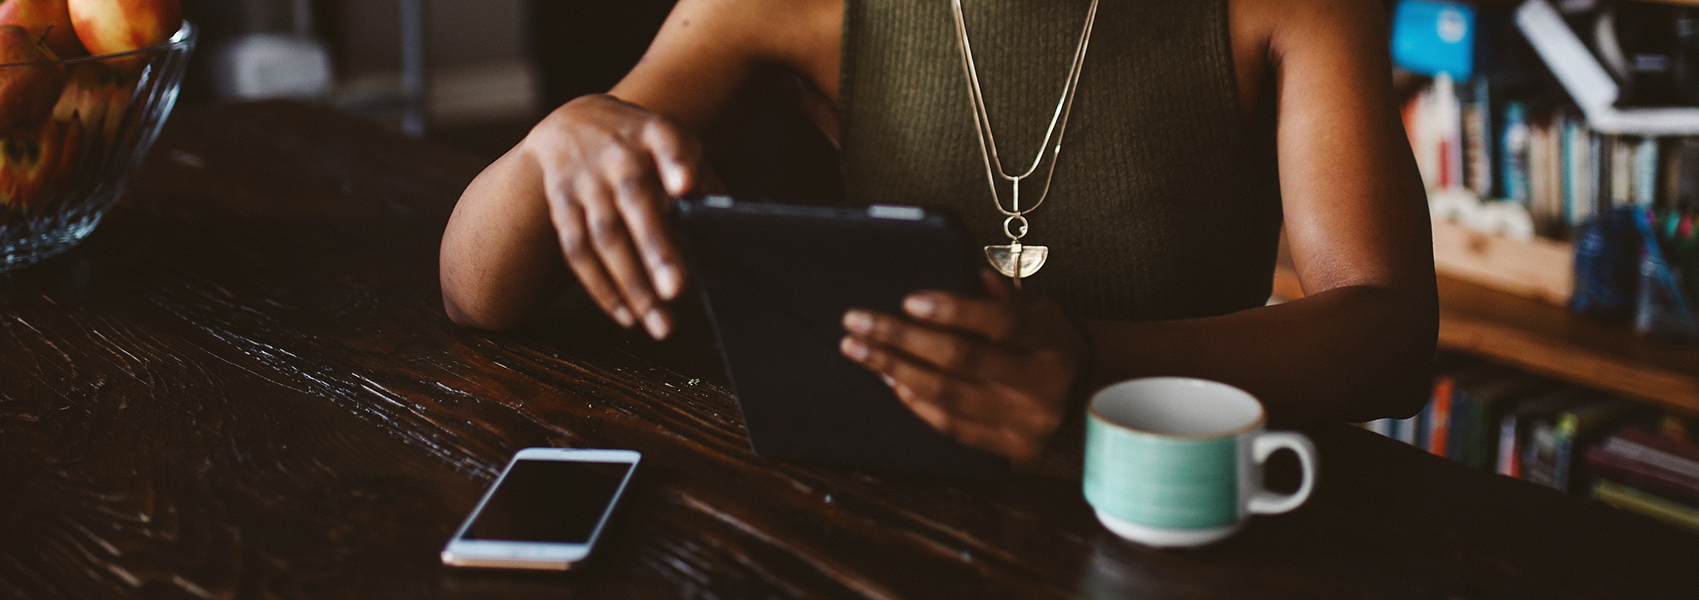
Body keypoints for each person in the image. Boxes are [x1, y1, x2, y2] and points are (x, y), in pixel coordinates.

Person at [440, 0, 1437, 461]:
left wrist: (1087, 366)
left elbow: (1388, 334)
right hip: (886, 516)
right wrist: (562, 136)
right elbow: (475, 293)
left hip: (1179, 520)